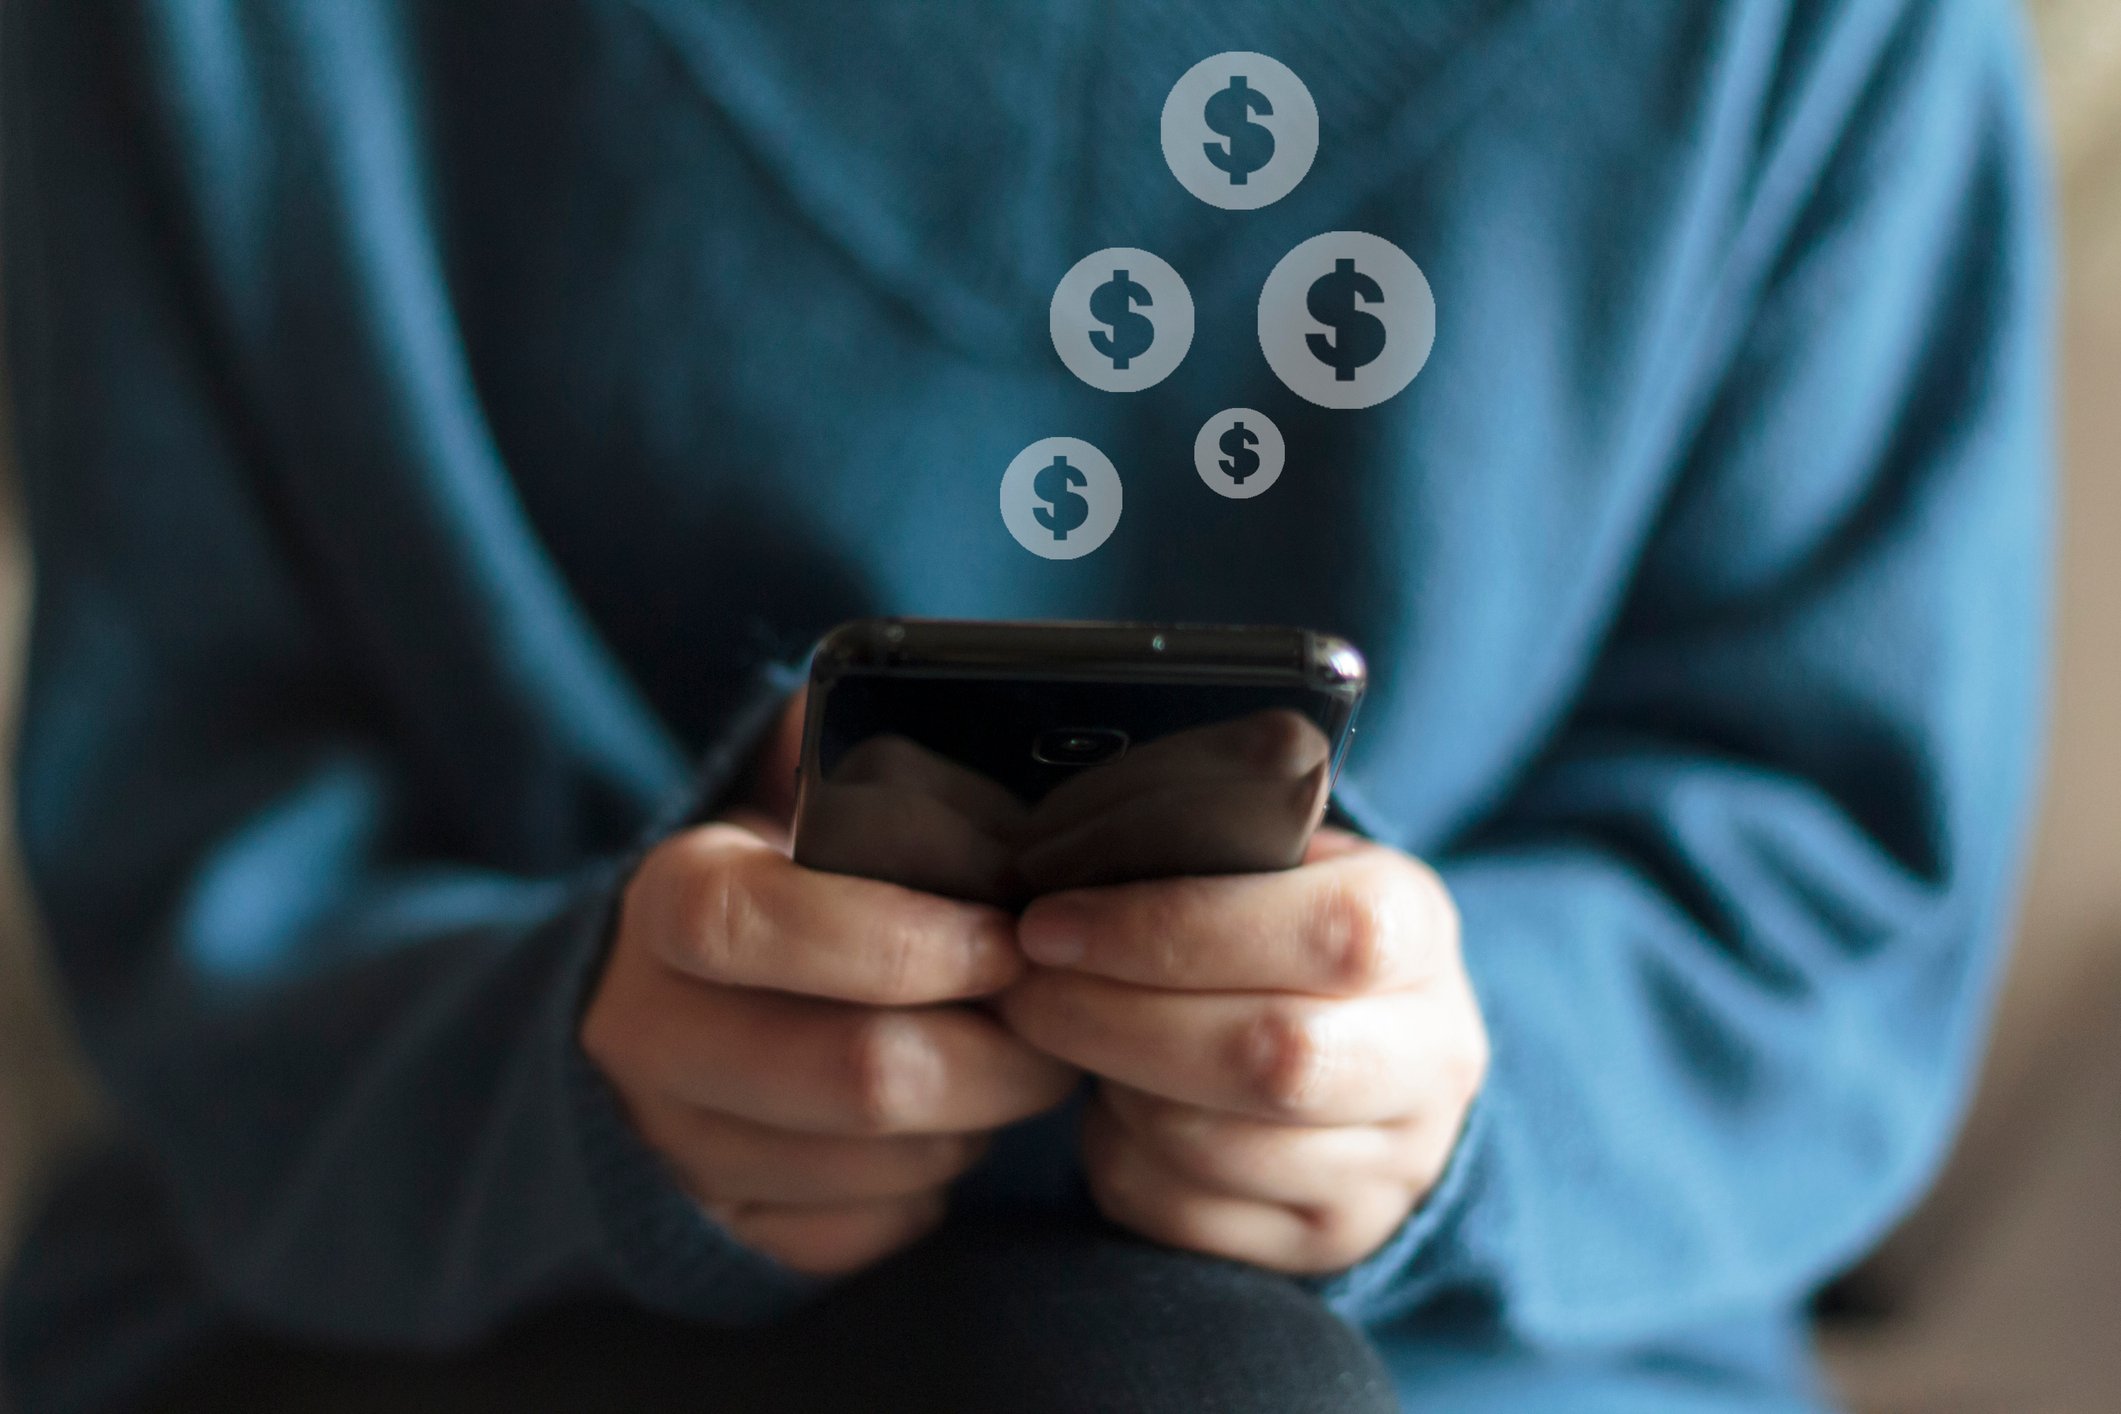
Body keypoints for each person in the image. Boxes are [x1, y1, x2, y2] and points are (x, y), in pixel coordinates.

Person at [0, 1, 2051, 1410]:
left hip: (1473, 1337)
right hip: (420, 1291)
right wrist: (575, 1069)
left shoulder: (1812, 38)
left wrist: (1440, 1089)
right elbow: (186, 847)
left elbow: (1826, 910)